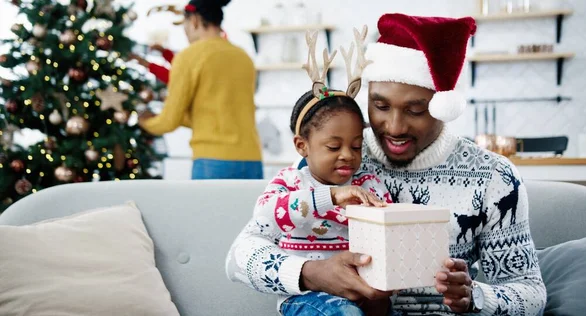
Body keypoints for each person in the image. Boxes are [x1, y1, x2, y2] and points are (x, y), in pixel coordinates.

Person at [226, 13, 546, 315]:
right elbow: (238, 260)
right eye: (380, 105)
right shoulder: (337, 159)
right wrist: (310, 273)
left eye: (415, 110)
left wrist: (475, 296)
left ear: (442, 104)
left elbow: (531, 294)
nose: (394, 127)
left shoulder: (492, 177)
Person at [139, 0, 263, 180]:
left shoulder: (188, 57)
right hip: (252, 159)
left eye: (185, 24)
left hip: (212, 161)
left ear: (195, 20)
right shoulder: (243, 57)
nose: (185, 30)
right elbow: (221, 114)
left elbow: (168, 121)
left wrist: (144, 121)